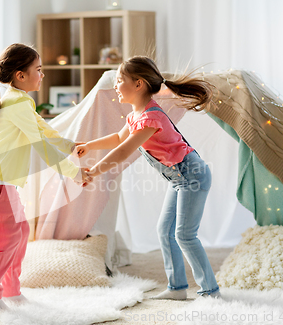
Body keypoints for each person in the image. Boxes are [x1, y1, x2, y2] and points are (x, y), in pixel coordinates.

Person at [0, 43, 91, 316]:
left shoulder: (20, 101)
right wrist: (74, 173)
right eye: (39, 70)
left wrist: (69, 145)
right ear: (20, 75)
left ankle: (11, 290)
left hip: (3, 180)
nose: (42, 75)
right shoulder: (17, 104)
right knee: (4, 239)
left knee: (19, 234)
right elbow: (41, 146)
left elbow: (44, 128)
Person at [76, 56, 220, 299]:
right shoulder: (136, 115)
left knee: (185, 234)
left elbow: (123, 151)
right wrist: (89, 145)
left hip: (191, 175)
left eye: (120, 81)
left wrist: (94, 171)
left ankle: (210, 290)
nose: (115, 87)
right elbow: (118, 139)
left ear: (138, 84)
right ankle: (177, 288)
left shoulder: (150, 118)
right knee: (165, 231)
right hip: (179, 179)